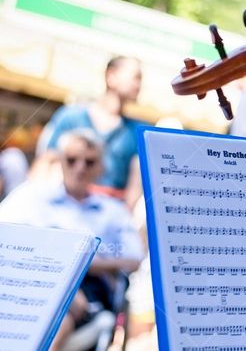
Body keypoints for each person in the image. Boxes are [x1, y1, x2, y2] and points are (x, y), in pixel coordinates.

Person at [0, 129, 144, 351]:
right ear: (60, 161)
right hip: (35, 278)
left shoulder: (113, 211)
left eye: (89, 162)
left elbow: (134, 258)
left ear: (100, 168)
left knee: (59, 316)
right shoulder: (33, 197)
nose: (80, 167)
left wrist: (76, 271)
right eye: (72, 159)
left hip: (90, 291)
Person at [38, 56, 145, 205]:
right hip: (66, 207)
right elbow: (45, 165)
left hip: (110, 214)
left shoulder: (136, 132)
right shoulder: (71, 117)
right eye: (136, 77)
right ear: (111, 76)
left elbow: (135, 186)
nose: (139, 85)